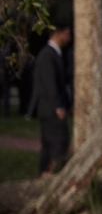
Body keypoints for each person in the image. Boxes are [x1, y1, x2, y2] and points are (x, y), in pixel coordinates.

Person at [28, 24, 72, 175]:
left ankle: (45, 174)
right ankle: (51, 173)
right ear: (58, 33)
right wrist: (58, 107)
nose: (69, 38)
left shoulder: (54, 54)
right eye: (67, 34)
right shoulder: (48, 55)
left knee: (49, 145)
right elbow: (50, 83)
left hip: (50, 108)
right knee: (57, 144)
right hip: (50, 109)